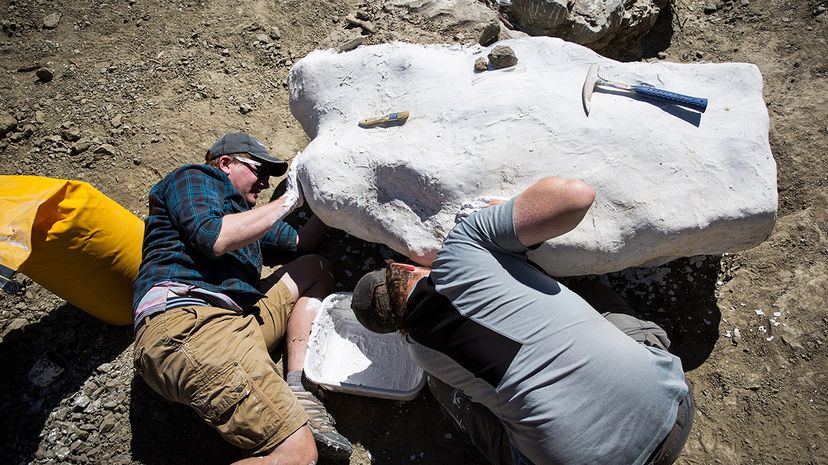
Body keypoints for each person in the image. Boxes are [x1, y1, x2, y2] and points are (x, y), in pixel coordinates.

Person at [351, 176, 694, 465]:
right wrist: (504, 214)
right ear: (406, 266)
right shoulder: (463, 246)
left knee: (455, 395)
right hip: (671, 401)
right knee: (591, 294)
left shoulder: (424, 355)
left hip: (617, 451)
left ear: (399, 328)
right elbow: (578, 195)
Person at [132, 132, 352, 465]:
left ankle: (297, 385)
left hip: (234, 324)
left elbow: (301, 241)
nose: (264, 183)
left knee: (315, 267)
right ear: (225, 163)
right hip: (190, 329)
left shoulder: (246, 219)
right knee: (295, 453)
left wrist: (332, 196)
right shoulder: (194, 178)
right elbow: (215, 238)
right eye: (259, 171)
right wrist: (287, 200)